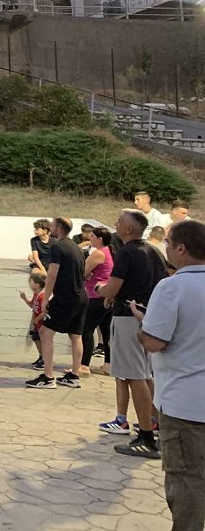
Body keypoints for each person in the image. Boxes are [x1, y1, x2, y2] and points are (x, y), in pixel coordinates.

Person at [136, 218, 205, 527]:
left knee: (187, 484)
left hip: (185, 405)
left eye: (167, 243)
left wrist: (143, 325)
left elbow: (154, 342)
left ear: (181, 249)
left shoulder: (173, 286)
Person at [95, 209, 168, 457]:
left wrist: (101, 289)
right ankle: (154, 421)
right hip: (148, 317)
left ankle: (146, 436)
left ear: (128, 228)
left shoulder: (127, 252)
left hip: (128, 317)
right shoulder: (153, 251)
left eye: (120, 221)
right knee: (146, 374)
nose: (116, 224)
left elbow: (112, 287)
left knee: (134, 376)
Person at [26, 217, 86, 389]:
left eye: (53, 225)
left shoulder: (57, 246)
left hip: (66, 298)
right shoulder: (75, 246)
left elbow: (52, 274)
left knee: (45, 332)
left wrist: (46, 298)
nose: (51, 227)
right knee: (76, 336)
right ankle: (74, 376)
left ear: (58, 228)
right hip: (81, 296)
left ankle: (48, 377)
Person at [81, 226, 115, 376]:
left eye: (92, 237)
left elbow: (82, 271)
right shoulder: (108, 252)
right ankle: (108, 364)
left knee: (86, 329)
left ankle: (84, 365)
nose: (90, 239)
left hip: (96, 296)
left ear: (100, 239)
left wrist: (87, 275)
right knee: (106, 331)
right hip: (106, 296)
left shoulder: (98, 253)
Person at [20, 271, 48, 370]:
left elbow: (45, 310)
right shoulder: (36, 295)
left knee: (42, 341)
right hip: (37, 323)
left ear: (37, 284)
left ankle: (45, 359)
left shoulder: (42, 296)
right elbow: (33, 306)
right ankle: (41, 356)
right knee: (36, 339)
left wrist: (38, 318)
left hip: (41, 323)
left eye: (31, 282)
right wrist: (25, 299)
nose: (29, 284)